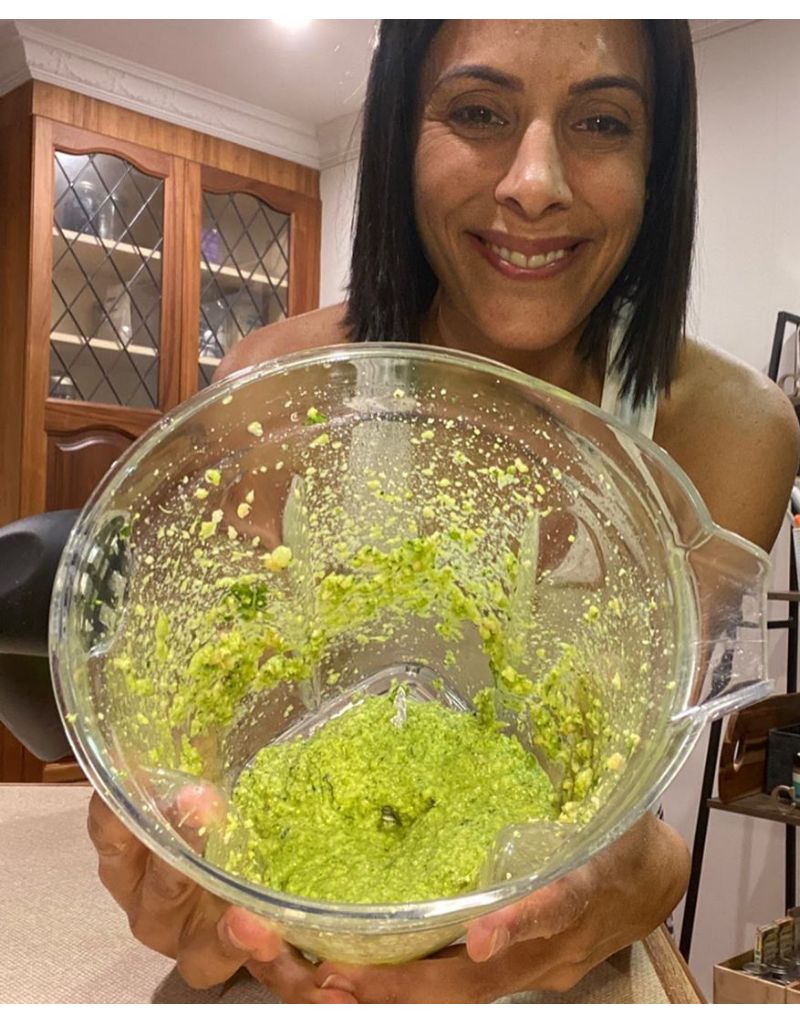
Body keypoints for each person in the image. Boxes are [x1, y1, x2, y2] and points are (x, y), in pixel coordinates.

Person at [87, 20, 799, 1003]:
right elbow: (221, 748)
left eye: (601, 122)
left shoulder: (728, 430)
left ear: (657, 160)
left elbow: (639, 789)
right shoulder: (275, 390)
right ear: (398, 133)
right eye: (477, 112)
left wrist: (651, 874)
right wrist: (177, 858)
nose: (533, 183)